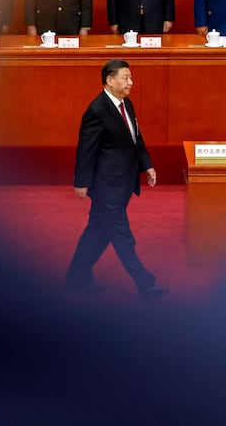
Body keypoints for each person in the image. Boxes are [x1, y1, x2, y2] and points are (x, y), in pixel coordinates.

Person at [66, 59, 168, 302]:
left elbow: (136, 139)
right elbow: (86, 149)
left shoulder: (126, 104)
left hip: (122, 184)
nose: (130, 82)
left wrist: (148, 165)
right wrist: (81, 181)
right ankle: (145, 284)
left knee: (97, 232)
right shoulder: (96, 110)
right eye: (125, 78)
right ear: (109, 80)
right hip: (106, 187)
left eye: (131, 77)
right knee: (122, 237)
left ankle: (75, 276)